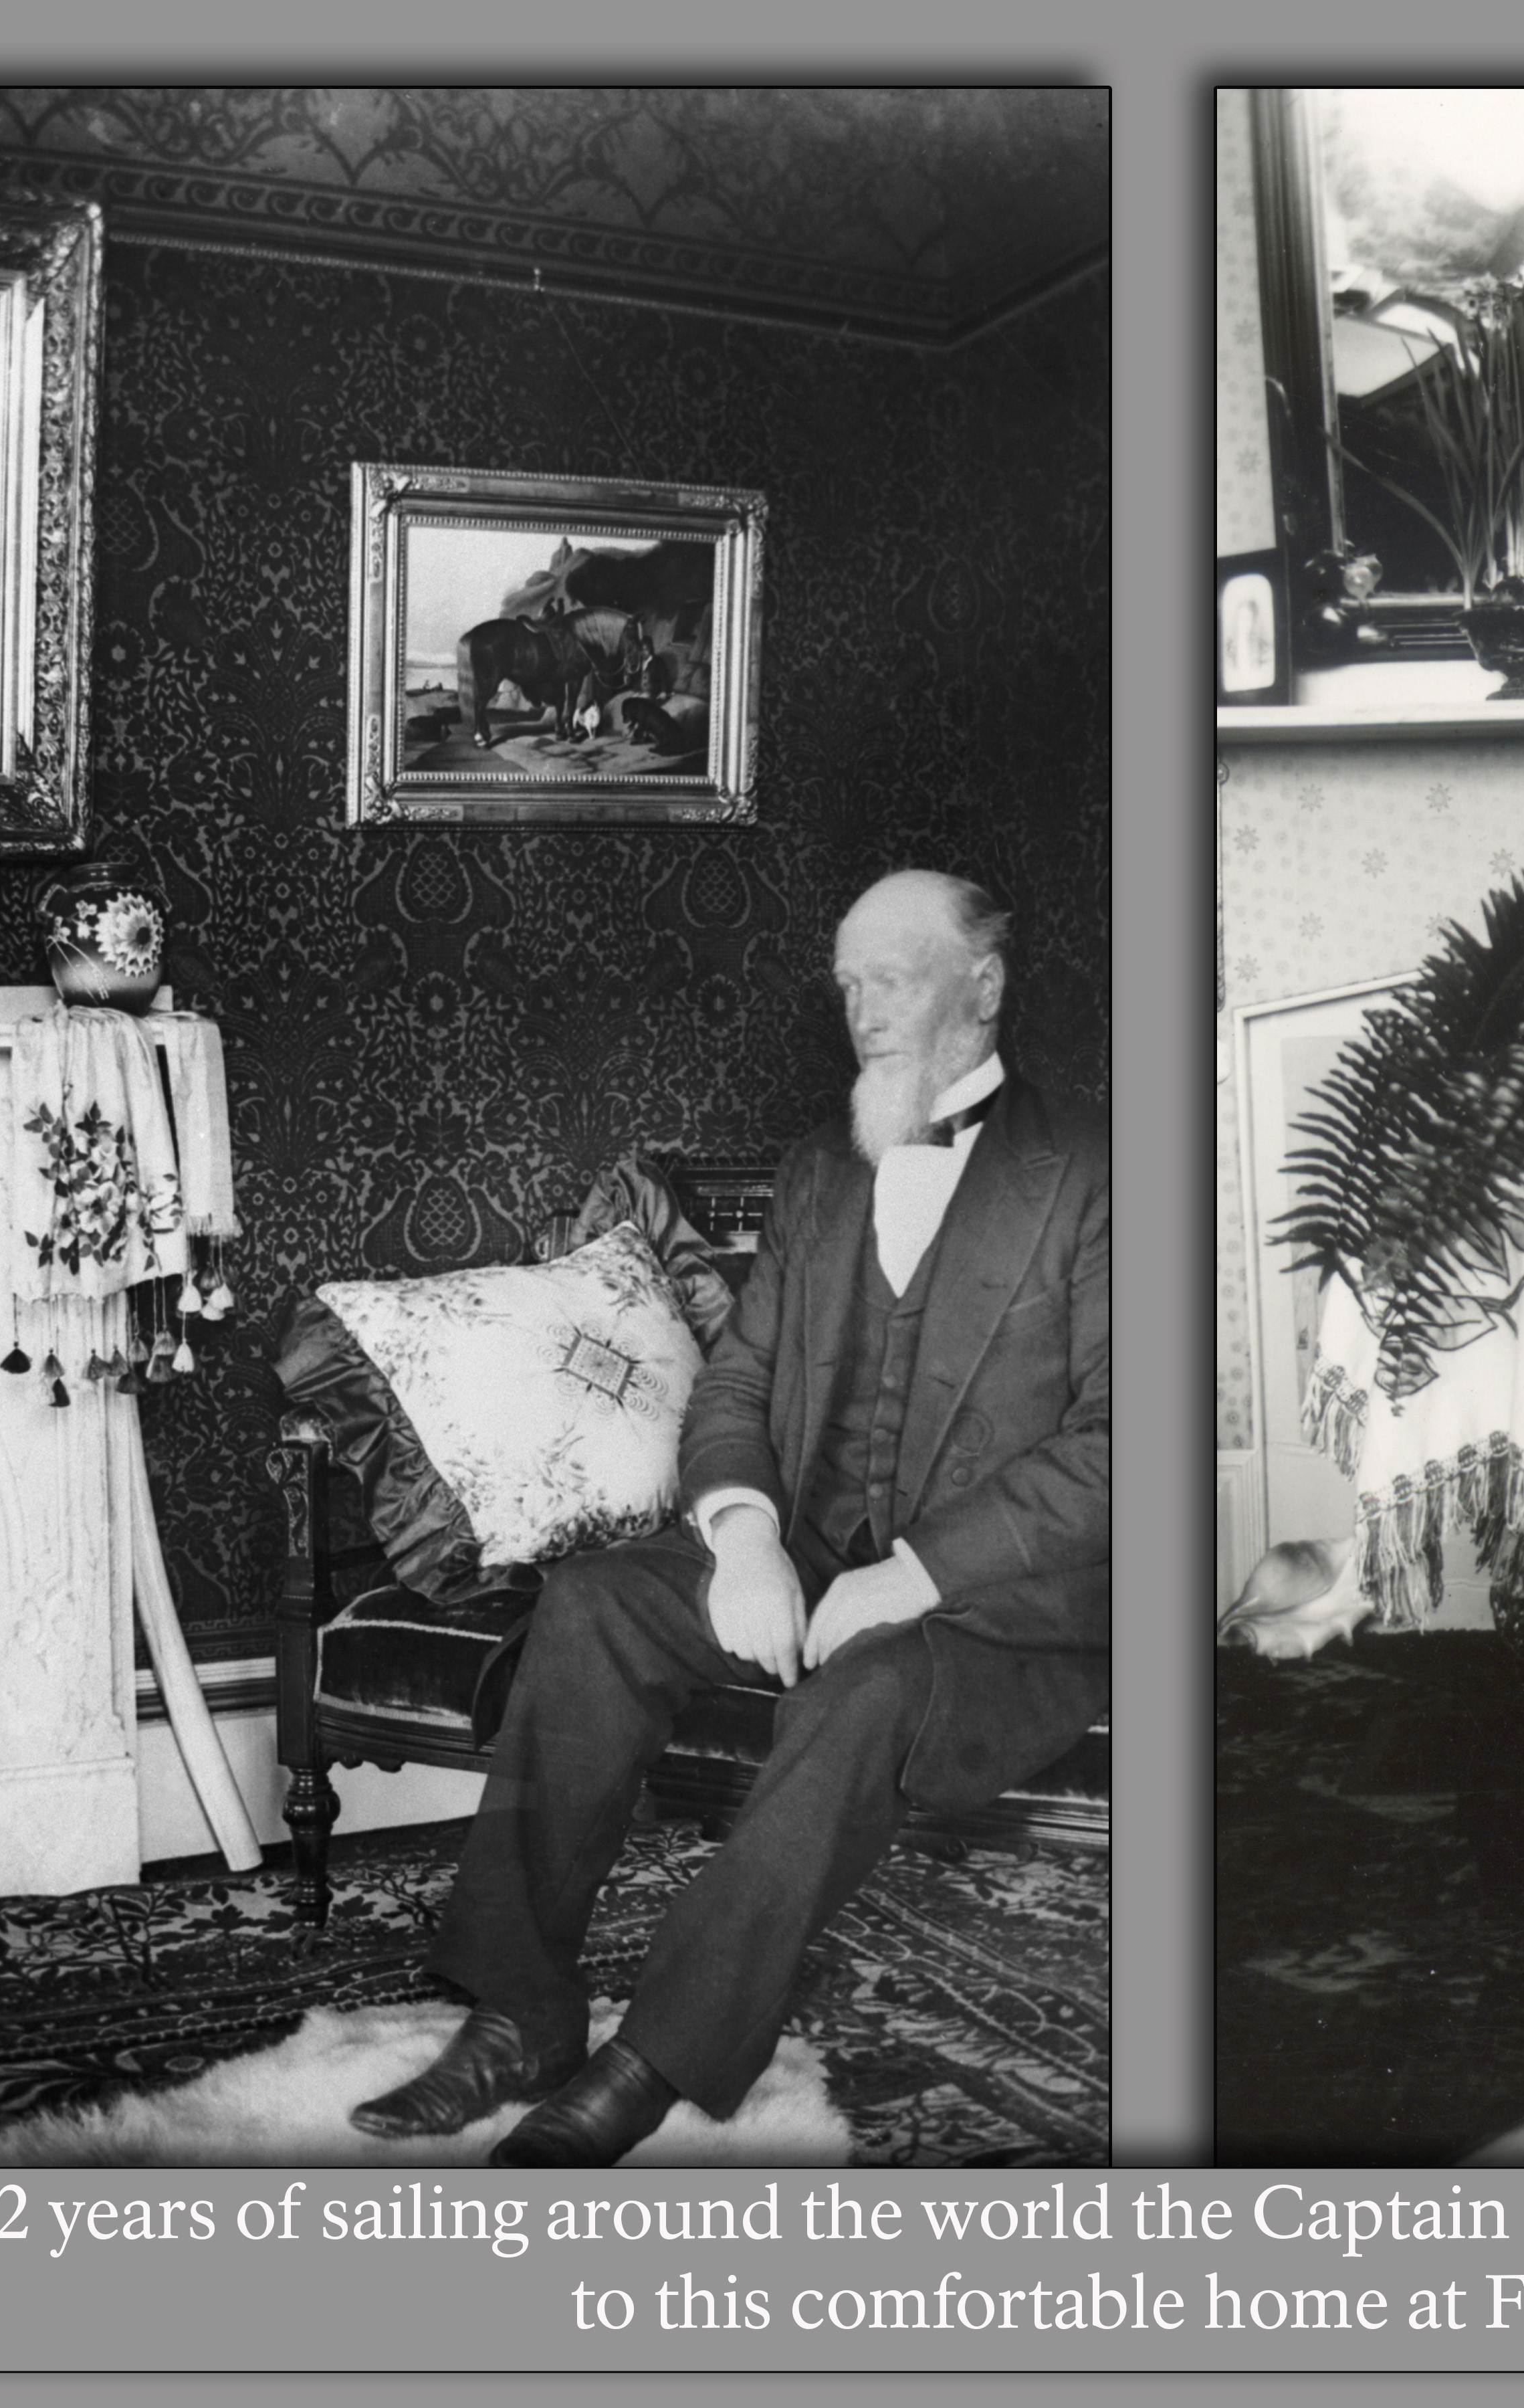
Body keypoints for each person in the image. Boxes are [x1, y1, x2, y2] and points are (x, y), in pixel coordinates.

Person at [352, 869, 1111, 2166]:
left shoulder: (1097, 1173)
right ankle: (522, 2012)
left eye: (896, 977)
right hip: (811, 1548)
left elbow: (1119, 1444)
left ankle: (651, 2061)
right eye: (848, 981)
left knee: (860, 1697)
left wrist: (917, 1574)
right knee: (594, 1608)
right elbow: (744, 1384)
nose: (863, 1009)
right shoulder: (825, 1169)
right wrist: (749, 1536)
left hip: (998, 1614)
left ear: (981, 989)